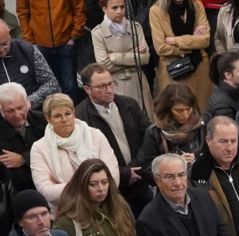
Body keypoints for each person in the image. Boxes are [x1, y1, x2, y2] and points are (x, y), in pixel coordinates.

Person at [77, 64, 153, 215]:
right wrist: (123, 173)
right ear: (87, 89)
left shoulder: (129, 104)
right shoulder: (80, 118)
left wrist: (135, 166)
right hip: (110, 189)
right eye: (102, 86)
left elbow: (148, 136)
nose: (109, 90)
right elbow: (88, 156)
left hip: (139, 179)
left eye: (111, 83)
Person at [15, 0, 86, 96]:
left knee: (70, 88)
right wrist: (30, 42)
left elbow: (79, 9)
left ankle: (74, 119)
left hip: (65, 45)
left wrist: (73, 37)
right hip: (40, 47)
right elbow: (23, 13)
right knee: (49, 91)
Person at [30, 93, 119, 213]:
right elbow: (46, 191)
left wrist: (77, 187)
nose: (65, 120)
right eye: (57, 116)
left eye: (68, 114)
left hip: (103, 207)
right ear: (48, 118)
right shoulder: (39, 148)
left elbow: (113, 176)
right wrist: (89, 185)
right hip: (66, 212)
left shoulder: (95, 135)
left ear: (73, 112)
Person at [150, 0, 213, 108]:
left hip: (199, 69)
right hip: (173, 70)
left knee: (201, 112)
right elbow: (161, 48)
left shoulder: (197, 6)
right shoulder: (156, 11)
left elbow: (205, 40)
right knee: (178, 112)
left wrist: (175, 41)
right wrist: (192, 41)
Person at [92, 0, 155, 118]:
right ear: (104, 9)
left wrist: (114, 57)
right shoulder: (98, 33)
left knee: (145, 119)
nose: (119, 11)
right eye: (114, 8)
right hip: (116, 85)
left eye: (122, 6)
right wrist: (132, 55)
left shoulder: (135, 27)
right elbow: (103, 65)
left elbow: (145, 58)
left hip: (138, 83)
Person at [0, 82, 46, 192]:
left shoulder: (42, 120)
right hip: (19, 191)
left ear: (28, 103)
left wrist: (24, 159)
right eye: (10, 111)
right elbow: (3, 173)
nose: (17, 114)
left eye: (20, 107)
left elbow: (55, 150)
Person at [138, 83, 205, 180]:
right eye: (179, 111)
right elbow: (149, 173)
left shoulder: (202, 126)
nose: (185, 115)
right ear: (167, 109)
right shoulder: (154, 133)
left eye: (188, 109)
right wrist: (175, 164)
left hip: (201, 185)